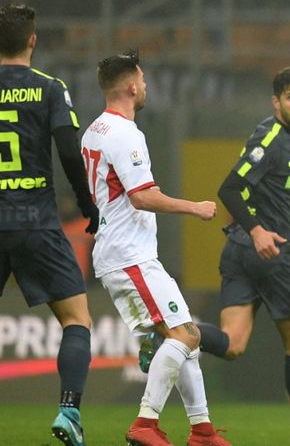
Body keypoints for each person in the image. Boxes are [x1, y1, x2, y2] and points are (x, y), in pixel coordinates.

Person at [146, 67, 290, 446]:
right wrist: (257, 232)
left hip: (239, 251)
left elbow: (275, 197)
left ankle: (172, 335)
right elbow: (230, 189)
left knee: (232, 344)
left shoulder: (284, 138)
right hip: (271, 252)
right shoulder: (271, 137)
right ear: (276, 102)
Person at [80, 50, 230, 446]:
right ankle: (145, 424)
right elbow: (142, 197)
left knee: (184, 338)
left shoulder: (94, 130)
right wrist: (194, 208)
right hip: (130, 256)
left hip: (122, 252)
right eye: (143, 80)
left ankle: (202, 431)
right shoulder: (127, 134)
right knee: (185, 336)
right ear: (131, 85)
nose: (146, 86)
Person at [0, 3, 98, 446]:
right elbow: (69, 151)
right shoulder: (49, 89)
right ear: (32, 41)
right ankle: (69, 410)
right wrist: (86, 203)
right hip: (36, 220)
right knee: (76, 319)